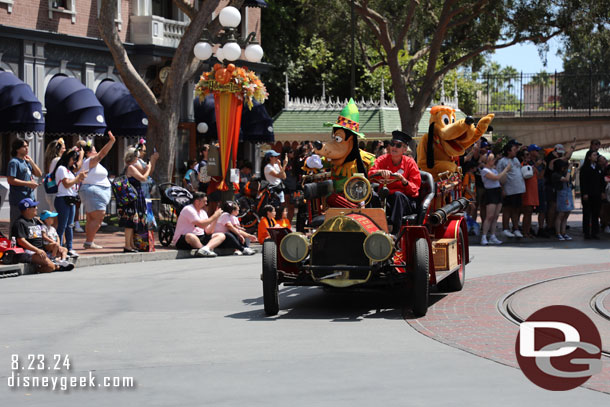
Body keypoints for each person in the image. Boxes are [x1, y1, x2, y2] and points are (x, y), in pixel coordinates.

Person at [368, 131, 421, 234]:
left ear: (404, 149)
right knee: (370, 195)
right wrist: (380, 172)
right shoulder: (382, 159)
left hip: (404, 201)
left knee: (397, 195)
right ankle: (370, 230)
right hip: (385, 198)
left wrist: (403, 180)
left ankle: (394, 232)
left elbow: (415, 189)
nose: (394, 147)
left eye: (398, 145)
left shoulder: (410, 163)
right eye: (392, 144)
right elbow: (370, 173)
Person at [12, 198, 73, 273]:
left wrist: (56, 245)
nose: (36, 208)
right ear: (27, 209)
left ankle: (58, 263)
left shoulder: (36, 221)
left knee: (62, 249)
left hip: (42, 249)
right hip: (29, 252)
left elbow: (49, 227)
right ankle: (54, 266)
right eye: (34, 207)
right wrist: (36, 250)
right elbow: (21, 241)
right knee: (50, 267)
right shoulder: (20, 223)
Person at [77, 133, 115, 249]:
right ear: (88, 153)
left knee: (91, 218)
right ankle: (89, 241)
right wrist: (111, 141)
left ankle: (89, 241)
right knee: (98, 219)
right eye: (94, 150)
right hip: (93, 191)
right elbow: (102, 154)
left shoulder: (90, 163)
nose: (96, 152)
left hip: (94, 191)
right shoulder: (89, 161)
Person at [119, 147, 159, 252]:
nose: (138, 158)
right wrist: (149, 167)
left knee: (133, 221)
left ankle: (131, 244)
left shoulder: (130, 167)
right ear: (133, 157)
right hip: (132, 197)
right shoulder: (131, 167)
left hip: (136, 196)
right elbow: (143, 178)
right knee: (130, 221)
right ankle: (127, 245)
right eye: (137, 156)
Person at [53, 148, 87, 258]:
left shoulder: (70, 171)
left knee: (70, 225)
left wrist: (79, 178)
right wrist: (78, 178)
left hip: (71, 198)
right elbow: (67, 184)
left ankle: (70, 248)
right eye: (73, 159)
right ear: (68, 158)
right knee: (62, 225)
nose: (74, 161)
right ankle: (60, 248)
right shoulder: (61, 169)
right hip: (62, 199)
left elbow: (72, 184)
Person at [171, 192, 225, 257]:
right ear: (197, 202)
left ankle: (205, 249)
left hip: (200, 237)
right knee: (190, 236)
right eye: (204, 201)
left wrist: (216, 218)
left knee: (221, 235)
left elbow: (208, 231)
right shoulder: (188, 209)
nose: (206, 203)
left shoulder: (203, 212)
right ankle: (203, 248)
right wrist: (214, 216)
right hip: (184, 239)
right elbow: (201, 224)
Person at [7, 139, 42, 235]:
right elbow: (10, 180)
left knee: (29, 226)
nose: (27, 148)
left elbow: (39, 174)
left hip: (30, 199)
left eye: (27, 146)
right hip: (18, 199)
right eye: (24, 146)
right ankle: (14, 247)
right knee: (16, 225)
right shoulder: (14, 162)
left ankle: (28, 247)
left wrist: (31, 162)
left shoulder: (26, 162)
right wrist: (28, 183)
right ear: (17, 149)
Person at [480, 153, 512, 245]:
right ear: (487, 161)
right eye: (492, 159)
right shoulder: (485, 171)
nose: (494, 161)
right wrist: (505, 169)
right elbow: (496, 178)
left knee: (495, 216)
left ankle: (493, 236)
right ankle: (484, 236)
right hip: (490, 192)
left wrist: (505, 171)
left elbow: (502, 180)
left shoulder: (494, 170)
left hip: (497, 191)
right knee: (489, 216)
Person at [496, 140, 525, 238]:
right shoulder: (502, 161)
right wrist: (502, 189)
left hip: (518, 189)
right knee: (507, 209)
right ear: (508, 151)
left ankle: (516, 228)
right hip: (509, 189)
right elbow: (499, 176)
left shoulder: (516, 160)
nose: (516, 150)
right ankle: (505, 228)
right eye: (514, 148)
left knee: (517, 209)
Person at [579, 150, 605, 239]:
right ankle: (586, 232)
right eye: (594, 155)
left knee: (595, 213)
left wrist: (602, 192)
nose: (596, 157)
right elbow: (583, 182)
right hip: (588, 194)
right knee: (587, 213)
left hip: (597, 194)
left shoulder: (598, 168)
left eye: (596, 155)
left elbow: (602, 181)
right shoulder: (584, 168)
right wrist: (585, 193)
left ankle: (595, 232)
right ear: (589, 157)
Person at [517, 149, 539, 239]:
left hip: (533, 191)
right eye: (526, 155)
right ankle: (524, 231)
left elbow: (539, 175)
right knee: (527, 212)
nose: (528, 156)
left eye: (529, 154)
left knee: (529, 213)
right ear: (522, 157)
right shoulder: (521, 166)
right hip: (526, 191)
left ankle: (528, 231)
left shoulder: (531, 166)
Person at [552, 160, 574, 240]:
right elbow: (566, 179)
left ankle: (563, 232)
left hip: (568, 194)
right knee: (560, 215)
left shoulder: (566, 173)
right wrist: (569, 169)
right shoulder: (556, 174)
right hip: (561, 195)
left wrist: (574, 171)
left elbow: (571, 180)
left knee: (566, 215)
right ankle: (558, 233)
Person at [43, 138, 66, 211]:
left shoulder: (51, 160)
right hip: (56, 192)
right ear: (58, 149)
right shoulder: (58, 160)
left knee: (54, 214)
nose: (65, 150)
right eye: (63, 148)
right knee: (57, 217)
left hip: (51, 190)